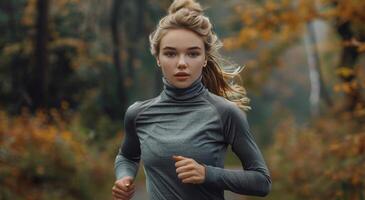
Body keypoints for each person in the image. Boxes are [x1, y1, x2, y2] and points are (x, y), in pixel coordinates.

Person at [112, 0, 271, 199]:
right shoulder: (138, 114)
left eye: (193, 53)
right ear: (158, 58)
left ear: (205, 58)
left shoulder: (225, 113)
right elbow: (127, 156)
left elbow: (262, 182)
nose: (181, 63)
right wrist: (124, 177)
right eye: (170, 53)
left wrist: (208, 174)